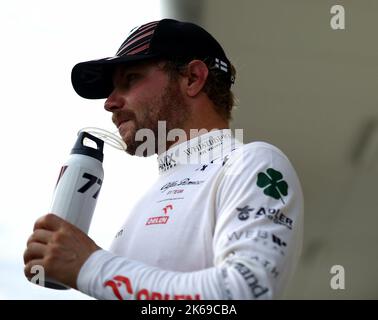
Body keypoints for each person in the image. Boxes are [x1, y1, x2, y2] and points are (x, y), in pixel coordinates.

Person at [24, 19, 303, 300]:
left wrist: (88, 265)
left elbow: (243, 293)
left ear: (193, 78)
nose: (109, 102)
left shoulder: (251, 163)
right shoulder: (145, 199)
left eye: (130, 79)